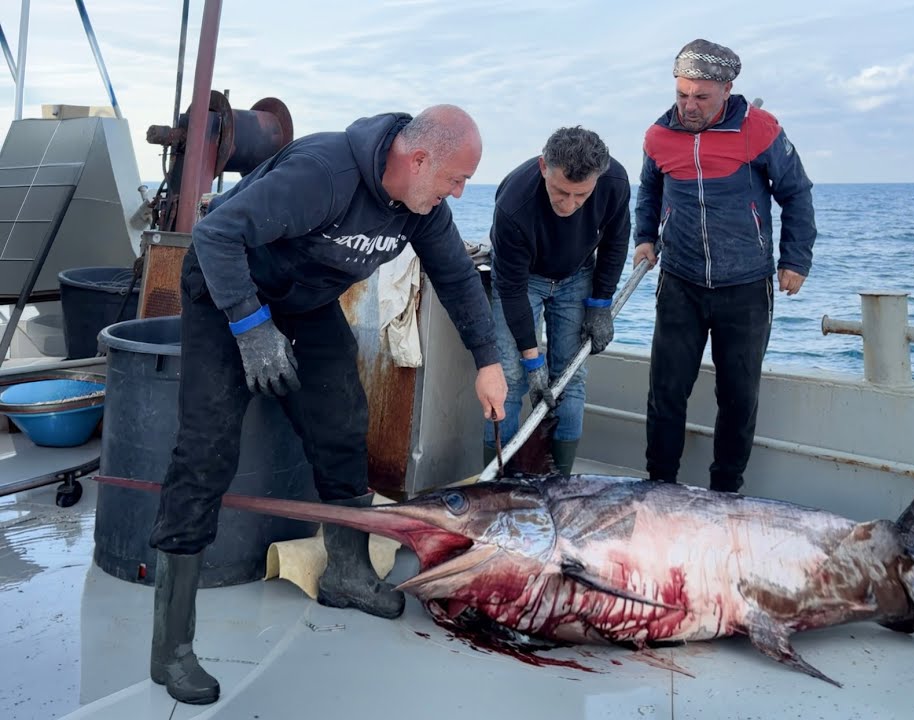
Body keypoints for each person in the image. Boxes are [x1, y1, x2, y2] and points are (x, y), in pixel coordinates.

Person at [146, 104, 507, 705]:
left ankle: (347, 572)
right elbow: (215, 233)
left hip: (306, 304)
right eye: (455, 179)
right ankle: (171, 646)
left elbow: (458, 279)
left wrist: (489, 362)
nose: (459, 193)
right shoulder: (324, 172)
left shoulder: (421, 206)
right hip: (222, 289)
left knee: (343, 427)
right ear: (418, 160)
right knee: (207, 450)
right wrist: (251, 328)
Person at [633, 39, 817, 493]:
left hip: (746, 285)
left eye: (701, 96)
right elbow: (649, 192)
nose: (689, 106)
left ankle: (726, 491)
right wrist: (644, 238)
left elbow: (796, 193)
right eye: (682, 94)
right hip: (680, 281)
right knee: (666, 392)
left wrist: (795, 259)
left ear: (727, 89)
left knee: (738, 397)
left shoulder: (761, 130)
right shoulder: (658, 135)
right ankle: (660, 485)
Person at [483, 126, 631, 475]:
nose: (569, 205)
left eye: (581, 196)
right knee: (509, 380)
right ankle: (493, 486)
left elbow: (615, 243)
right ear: (542, 167)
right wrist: (534, 365)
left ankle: (559, 482)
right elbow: (512, 290)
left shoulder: (615, 183)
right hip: (523, 280)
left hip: (577, 275)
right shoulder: (513, 204)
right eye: (561, 191)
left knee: (570, 379)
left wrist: (601, 305)